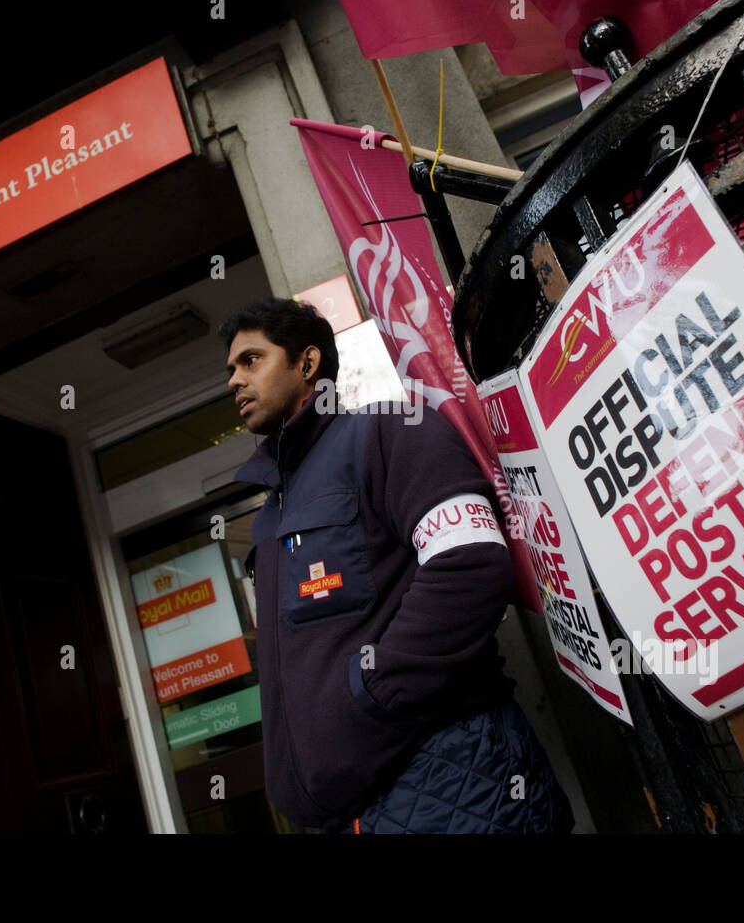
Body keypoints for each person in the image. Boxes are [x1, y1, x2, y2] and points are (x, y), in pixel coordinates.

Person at [221, 297, 574, 834]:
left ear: (307, 364)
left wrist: (372, 697)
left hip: (457, 782)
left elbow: (470, 566)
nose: (233, 380)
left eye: (251, 360)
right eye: (230, 369)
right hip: (357, 815)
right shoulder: (271, 512)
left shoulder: (389, 433)